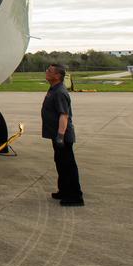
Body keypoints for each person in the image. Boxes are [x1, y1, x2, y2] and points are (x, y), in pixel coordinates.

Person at [43, 63, 84, 206]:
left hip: (62, 136)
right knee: (60, 164)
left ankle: (75, 196)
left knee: (68, 166)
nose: (46, 72)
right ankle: (64, 191)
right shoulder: (54, 89)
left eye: (49, 71)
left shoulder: (60, 92)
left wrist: (60, 136)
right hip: (56, 135)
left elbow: (64, 115)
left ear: (57, 76)